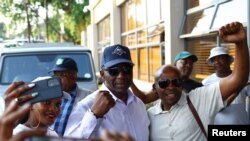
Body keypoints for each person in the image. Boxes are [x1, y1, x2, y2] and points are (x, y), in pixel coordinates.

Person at [148, 21, 249, 141]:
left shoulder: (199, 98)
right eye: (164, 83)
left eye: (176, 82)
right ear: (155, 88)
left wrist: (240, 43)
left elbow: (238, 79)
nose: (170, 87)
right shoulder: (148, 116)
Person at [64, 44, 150, 141]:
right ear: (102, 74)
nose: (121, 76)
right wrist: (94, 115)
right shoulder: (86, 106)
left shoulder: (139, 104)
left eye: (127, 69)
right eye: (114, 71)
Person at [130, 51, 202, 104]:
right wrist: (130, 82)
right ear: (175, 65)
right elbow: (145, 99)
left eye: (191, 63)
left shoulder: (198, 87)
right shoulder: (165, 84)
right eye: (184, 62)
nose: (188, 65)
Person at [202, 46, 250, 124]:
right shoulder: (206, 83)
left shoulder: (242, 77)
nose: (217, 62)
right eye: (214, 59)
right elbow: (212, 107)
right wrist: (240, 86)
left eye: (220, 58)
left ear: (228, 60)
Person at [50, 57, 92, 136]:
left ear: (74, 76)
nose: (57, 79)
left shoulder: (88, 97)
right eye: (55, 76)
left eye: (62, 75)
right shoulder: (50, 96)